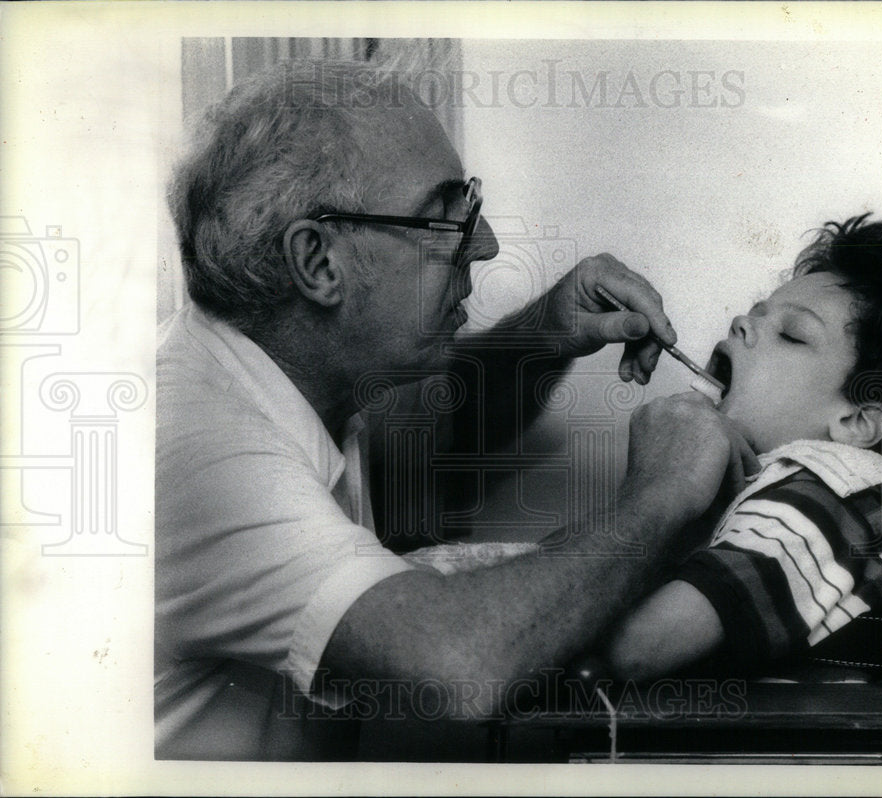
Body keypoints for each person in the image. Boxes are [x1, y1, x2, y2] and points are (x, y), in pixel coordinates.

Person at [155, 62, 756, 760]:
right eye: (446, 219)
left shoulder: (286, 369)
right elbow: (458, 668)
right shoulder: (205, 455)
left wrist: (543, 335)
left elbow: (432, 430)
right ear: (318, 262)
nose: (487, 244)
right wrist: (665, 491)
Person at [606, 215, 882, 680]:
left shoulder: (823, 498)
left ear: (855, 422)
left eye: (792, 334)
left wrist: (654, 485)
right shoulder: (779, 490)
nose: (741, 322)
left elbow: (633, 650)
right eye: (754, 313)